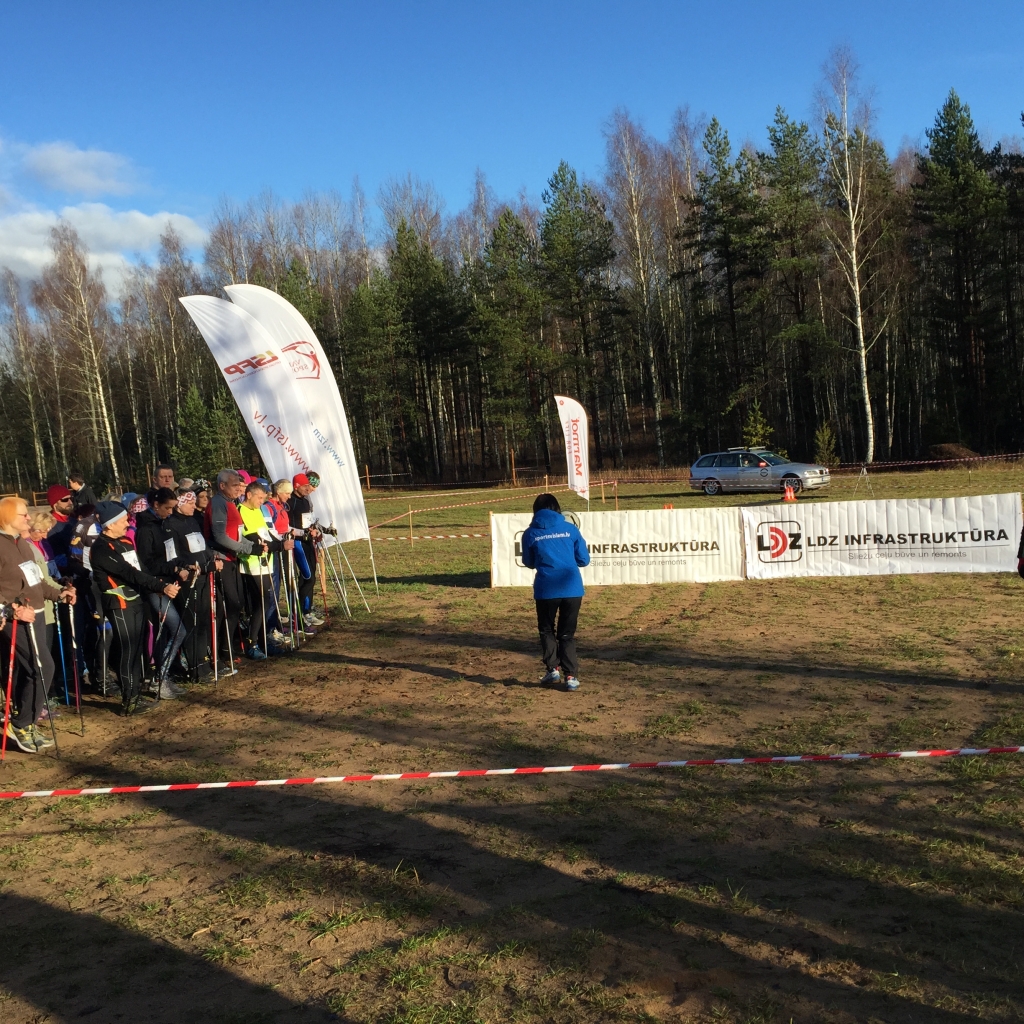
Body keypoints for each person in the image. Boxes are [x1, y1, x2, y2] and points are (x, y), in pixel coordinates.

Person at [90, 501, 180, 716]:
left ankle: (135, 695)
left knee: (138, 650)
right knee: (128, 651)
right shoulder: (101, 548)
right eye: (123, 521)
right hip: (119, 604)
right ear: (110, 524)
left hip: (137, 600)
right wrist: (161, 586)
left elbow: (141, 570)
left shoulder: (125, 541)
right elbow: (128, 572)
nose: (127, 524)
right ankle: (128, 702)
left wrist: (157, 586)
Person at [0, 497, 56, 752]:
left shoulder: (21, 543)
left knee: (34, 669)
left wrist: (60, 593)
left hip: (37, 614)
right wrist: (12, 610)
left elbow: (36, 580)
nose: (29, 518)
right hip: (15, 619)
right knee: (43, 667)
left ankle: (27, 723)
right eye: (23, 515)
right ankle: (21, 724)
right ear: (7, 517)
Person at [520, 493, 590, 692]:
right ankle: (571, 676)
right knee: (566, 634)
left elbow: (528, 562)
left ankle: (553, 669)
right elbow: (584, 560)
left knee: (546, 630)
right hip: (572, 589)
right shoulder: (571, 529)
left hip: (546, 589)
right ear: (557, 509)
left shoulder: (529, 533)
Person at [133, 487, 189, 698]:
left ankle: (163, 677)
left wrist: (183, 565)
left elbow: (171, 554)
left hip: (169, 585)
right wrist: (172, 569)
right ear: (155, 505)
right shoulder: (145, 529)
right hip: (155, 588)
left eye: (173, 508)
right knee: (177, 630)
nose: (171, 512)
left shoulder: (164, 524)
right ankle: (158, 678)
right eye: (167, 508)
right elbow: (146, 563)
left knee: (167, 632)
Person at [166, 490, 222, 681]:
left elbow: (202, 546)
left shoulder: (192, 521)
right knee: (193, 623)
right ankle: (195, 667)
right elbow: (174, 556)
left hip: (204, 576)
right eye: (189, 503)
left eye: (193, 502)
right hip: (189, 579)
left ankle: (204, 663)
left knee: (204, 620)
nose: (193, 505)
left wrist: (211, 558)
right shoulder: (171, 524)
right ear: (179, 504)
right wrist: (192, 567)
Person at [205, 469, 251, 671]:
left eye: (239, 485)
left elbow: (237, 533)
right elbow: (219, 536)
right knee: (229, 604)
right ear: (222, 486)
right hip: (221, 560)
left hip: (232, 559)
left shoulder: (231, 503)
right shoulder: (218, 503)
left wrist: (251, 545)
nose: (238, 489)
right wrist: (243, 548)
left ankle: (228, 646)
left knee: (236, 603)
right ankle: (221, 651)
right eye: (234, 485)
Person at [238, 480, 290, 659]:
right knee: (262, 602)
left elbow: (266, 534)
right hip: (252, 564)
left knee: (266, 602)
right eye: (259, 498)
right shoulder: (241, 511)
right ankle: (252, 643)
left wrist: (280, 543)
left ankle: (262, 641)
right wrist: (280, 546)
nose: (262, 502)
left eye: (263, 498)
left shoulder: (258, 510)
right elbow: (252, 539)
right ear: (249, 495)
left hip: (266, 561)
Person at [286, 473, 323, 630]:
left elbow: (309, 521)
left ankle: (307, 611)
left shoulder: (306, 500)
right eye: (305, 486)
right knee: (308, 578)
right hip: (298, 543)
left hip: (309, 542)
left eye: (309, 486)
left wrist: (315, 531)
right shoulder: (290, 501)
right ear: (297, 486)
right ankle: (298, 613)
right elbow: (287, 526)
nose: (308, 489)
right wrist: (302, 533)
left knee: (310, 577)